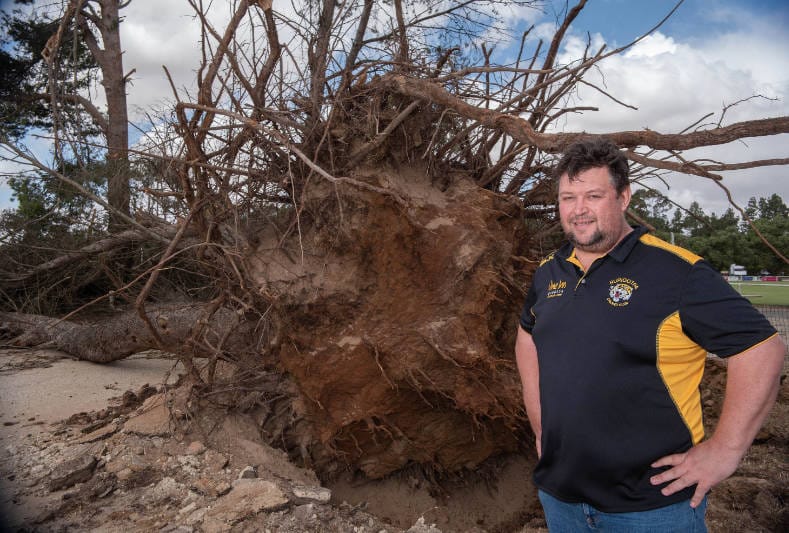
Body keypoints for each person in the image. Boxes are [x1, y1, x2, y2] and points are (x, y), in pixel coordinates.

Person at [515, 137, 785, 532]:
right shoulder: (549, 272)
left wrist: (725, 450)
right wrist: (541, 429)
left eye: (593, 195)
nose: (579, 210)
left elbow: (763, 350)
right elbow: (527, 337)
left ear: (624, 197)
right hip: (562, 500)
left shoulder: (676, 272)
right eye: (568, 197)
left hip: (650, 509)